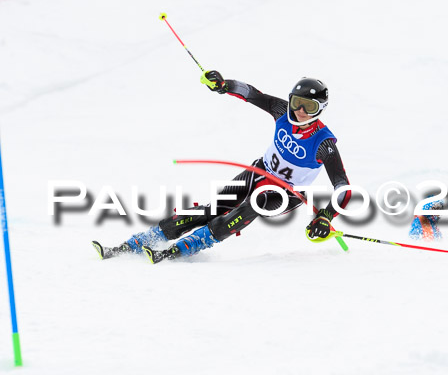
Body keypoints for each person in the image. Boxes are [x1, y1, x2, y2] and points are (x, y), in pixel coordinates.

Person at [92, 71, 351, 263]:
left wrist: (326, 216)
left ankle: (192, 244)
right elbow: (253, 94)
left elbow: (344, 188)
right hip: (259, 172)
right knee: (213, 207)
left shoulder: (324, 143)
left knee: (252, 205)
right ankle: (145, 239)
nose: (301, 111)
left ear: (321, 110)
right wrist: (225, 85)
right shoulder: (282, 111)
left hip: (287, 193)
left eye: (310, 107)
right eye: (297, 103)